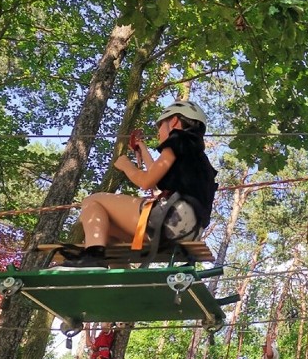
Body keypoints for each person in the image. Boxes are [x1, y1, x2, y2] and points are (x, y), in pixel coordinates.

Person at [56, 100, 218, 268]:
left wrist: (126, 165)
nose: (158, 134)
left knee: (93, 201)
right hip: (188, 231)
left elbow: (146, 181)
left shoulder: (179, 137)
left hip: (170, 220)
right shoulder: (196, 156)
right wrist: (143, 148)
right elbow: (156, 172)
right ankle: (122, 279)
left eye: (160, 126)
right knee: (107, 227)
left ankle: (92, 259)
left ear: (175, 121)